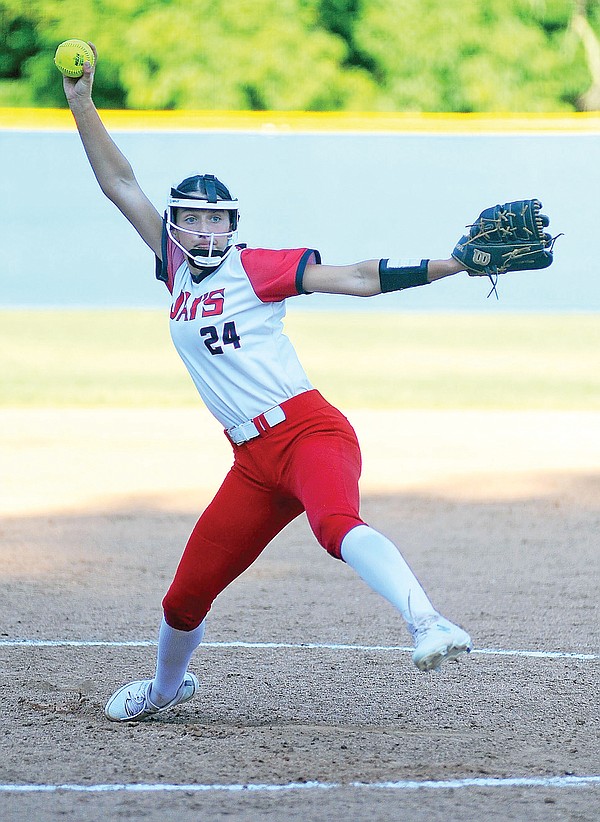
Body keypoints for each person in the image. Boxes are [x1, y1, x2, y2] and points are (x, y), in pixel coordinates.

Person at [63, 44, 473, 723]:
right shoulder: (173, 268)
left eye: (216, 218)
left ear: (232, 225)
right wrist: (82, 104)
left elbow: (355, 277)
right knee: (183, 597)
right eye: (191, 217)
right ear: (177, 224)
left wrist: (450, 264)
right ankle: (167, 690)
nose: (204, 227)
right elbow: (120, 185)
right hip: (251, 462)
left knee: (335, 525)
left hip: (309, 431)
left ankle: (426, 621)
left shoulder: (253, 269)